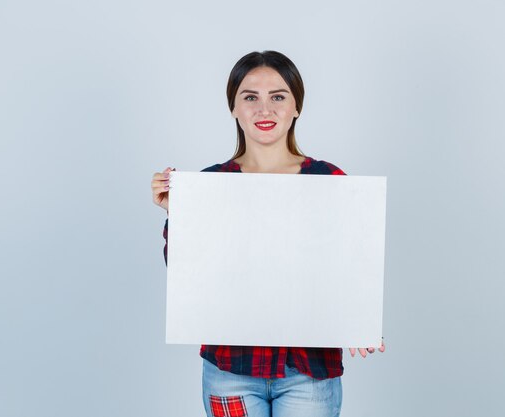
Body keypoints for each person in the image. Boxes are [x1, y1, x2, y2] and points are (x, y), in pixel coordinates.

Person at [151, 50, 385, 417]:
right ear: (234, 108)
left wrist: (360, 318)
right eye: (250, 97)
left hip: (309, 371)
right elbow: (189, 276)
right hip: (230, 370)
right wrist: (176, 214)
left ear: (296, 107)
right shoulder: (210, 184)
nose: (265, 109)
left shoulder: (329, 180)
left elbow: (348, 266)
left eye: (278, 97)